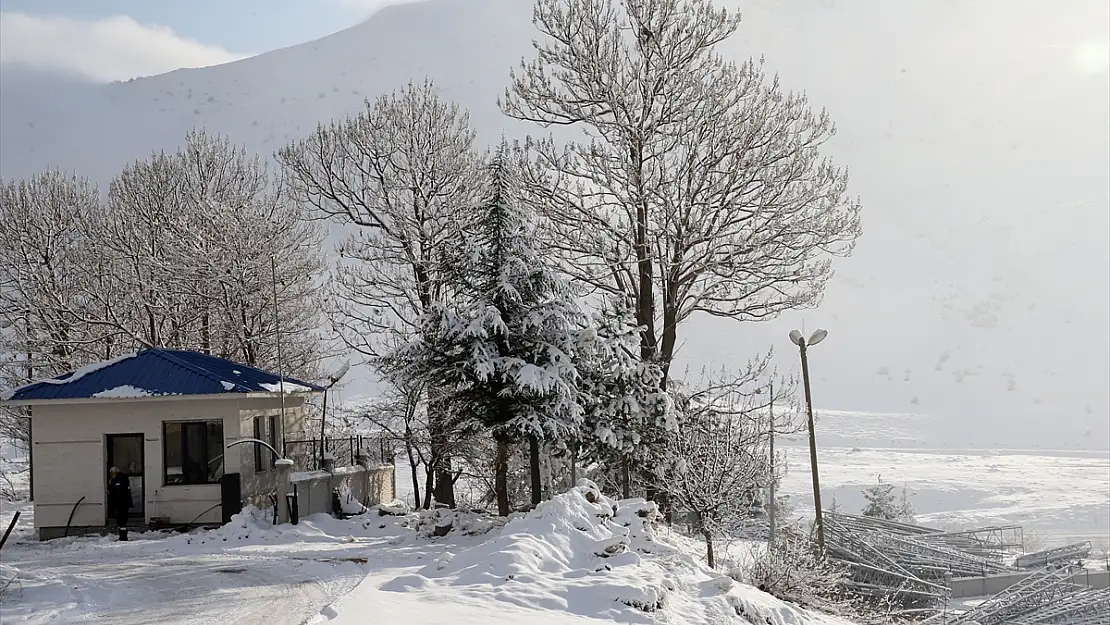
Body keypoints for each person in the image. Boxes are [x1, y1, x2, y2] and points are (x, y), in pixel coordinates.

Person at [107, 466, 132, 541]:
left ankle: (123, 537)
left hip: (120, 504)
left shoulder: (118, 480)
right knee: (122, 521)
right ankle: (123, 536)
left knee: (121, 521)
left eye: (112, 473)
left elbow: (118, 493)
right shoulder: (124, 478)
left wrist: (110, 492)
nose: (111, 475)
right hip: (124, 503)